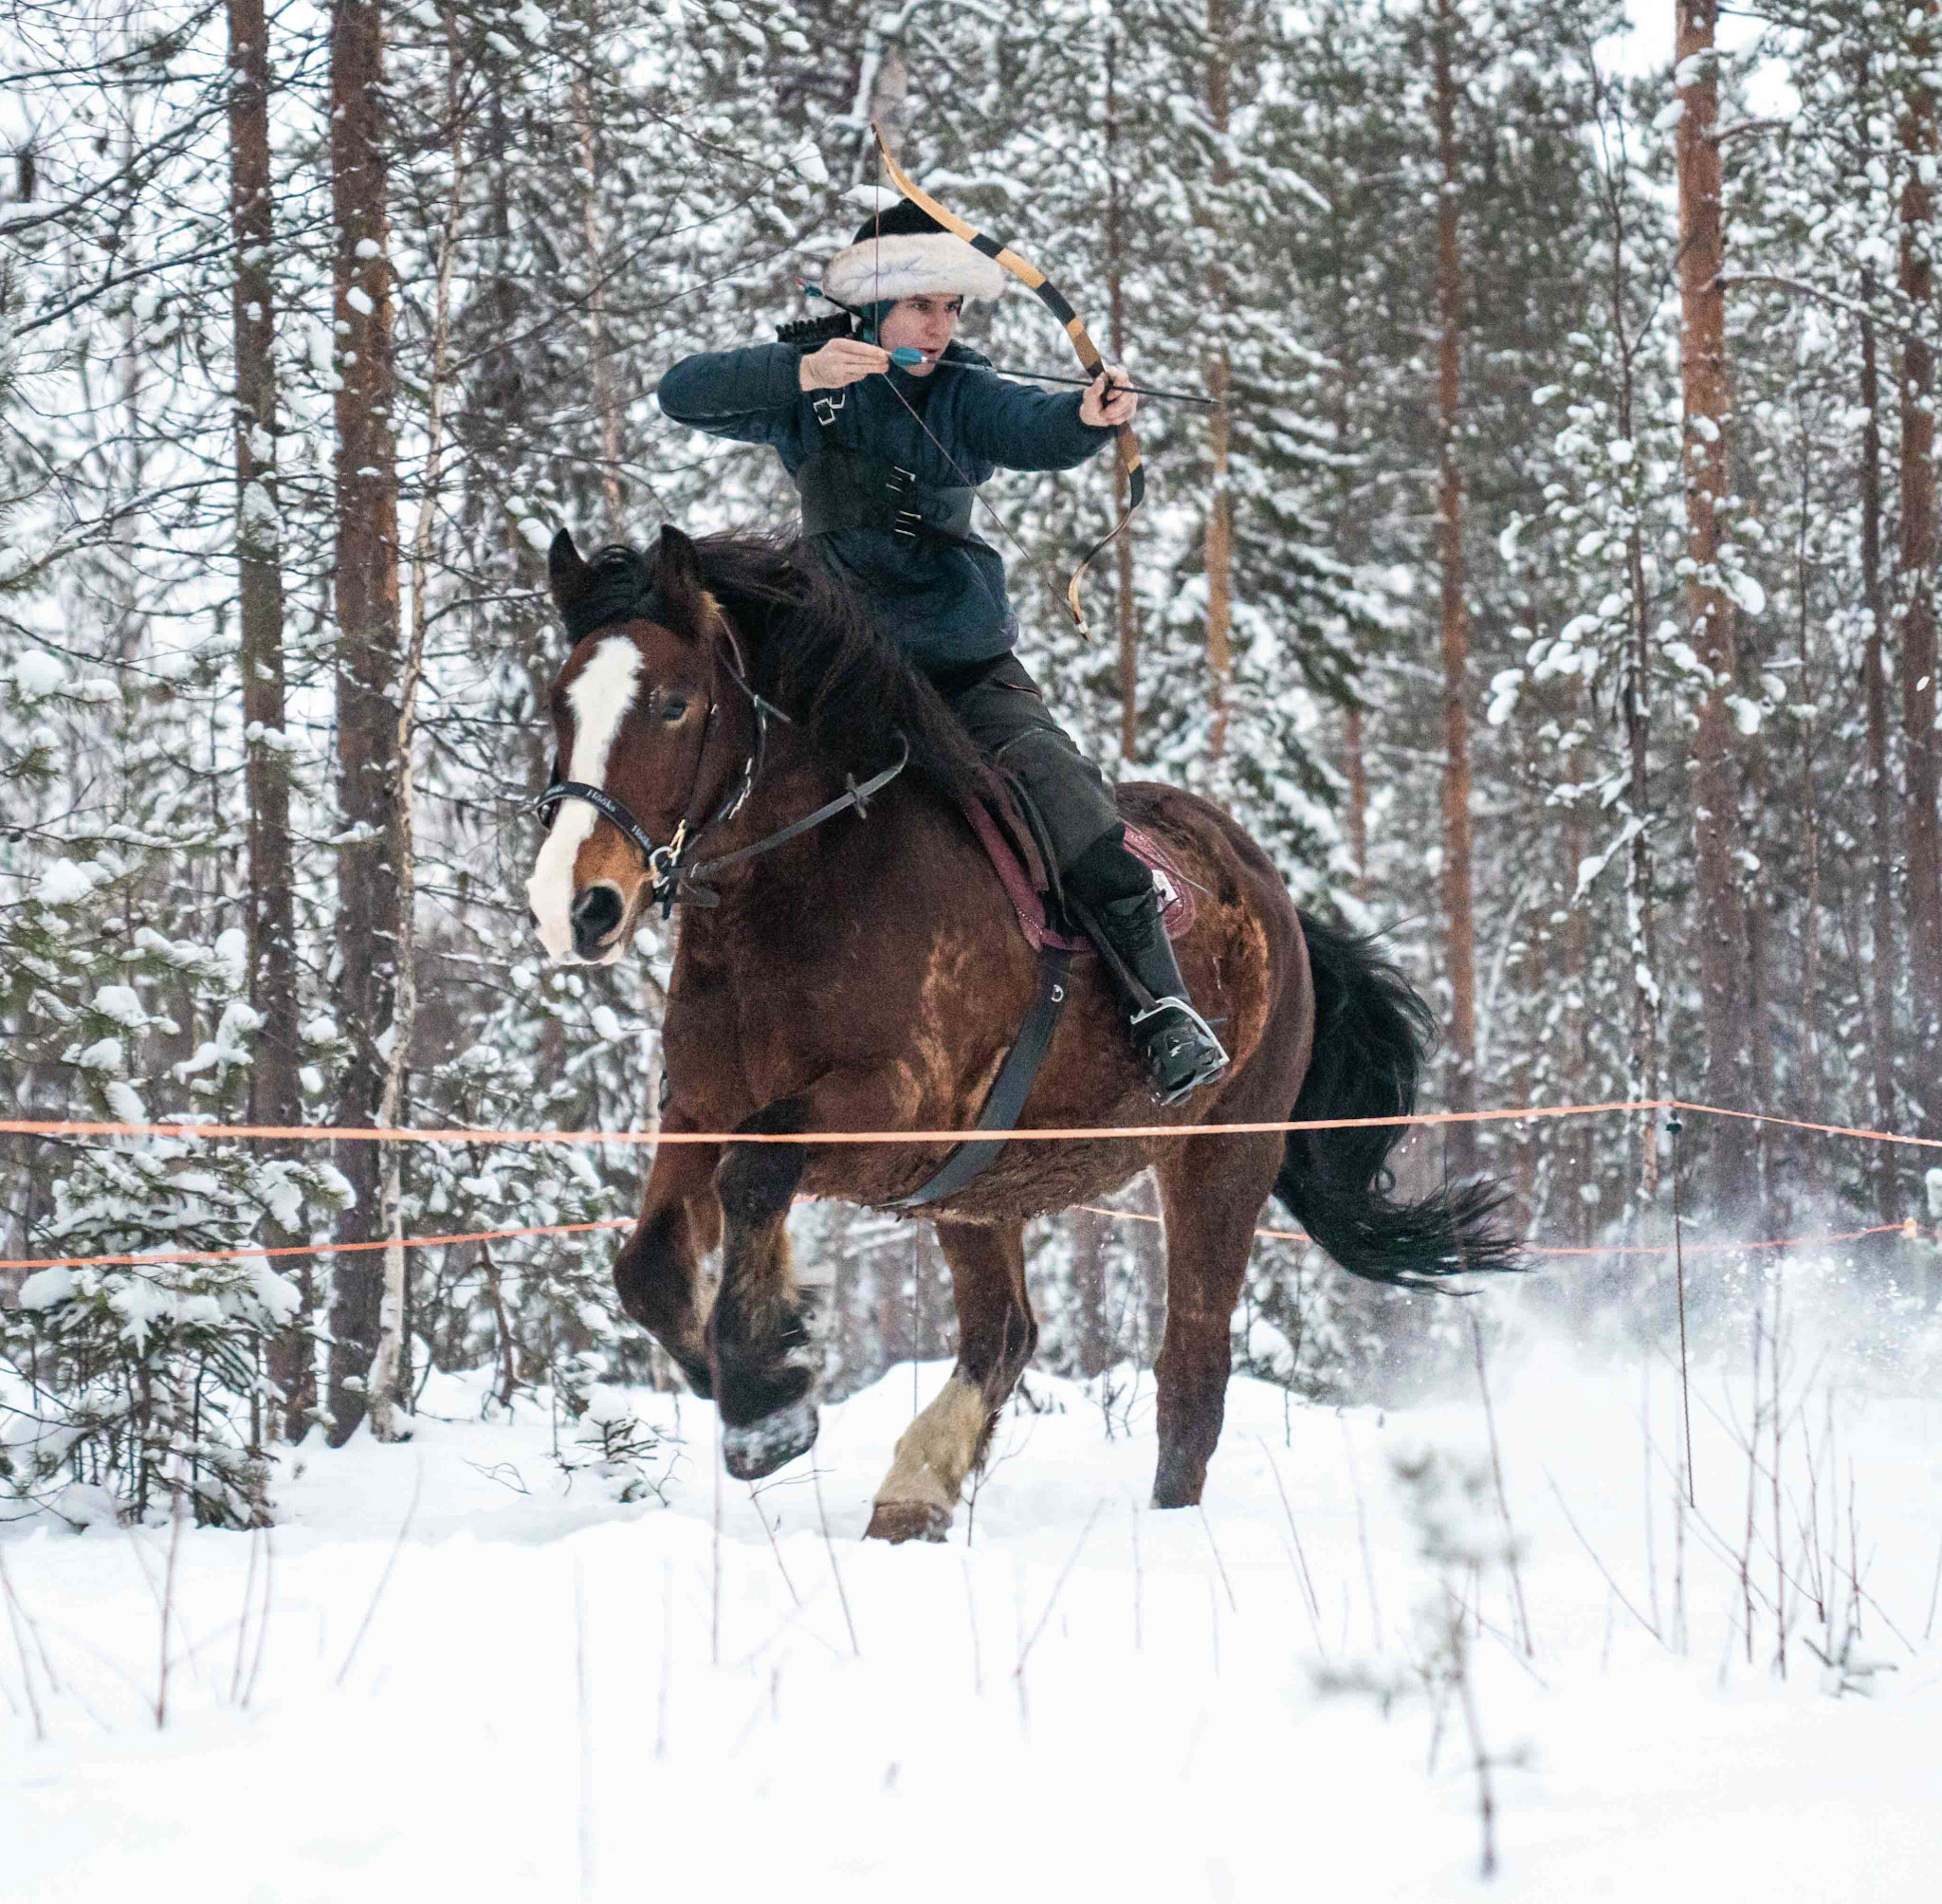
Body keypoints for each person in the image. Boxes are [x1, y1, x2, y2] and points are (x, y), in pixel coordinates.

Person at [656, 196, 1227, 1103]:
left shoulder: (960, 392)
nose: (941, 323)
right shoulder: (811, 387)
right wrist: (798, 372)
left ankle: (1162, 1010)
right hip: (834, 677)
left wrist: (1085, 414)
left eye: (952, 308)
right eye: (923, 305)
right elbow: (681, 392)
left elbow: (1028, 427)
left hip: (959, 669)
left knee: (1068, 797)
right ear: (873, 307)